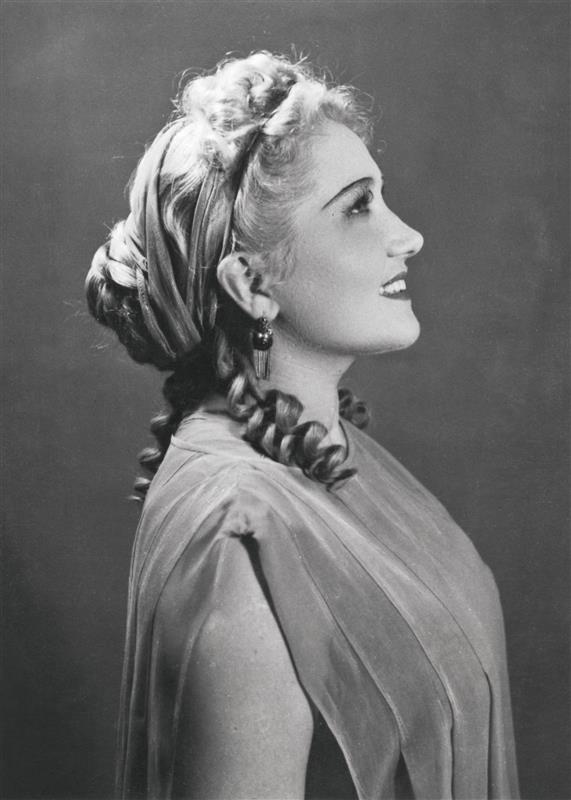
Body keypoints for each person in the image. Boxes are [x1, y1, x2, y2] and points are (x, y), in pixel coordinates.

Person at [86, 51, 520, 800]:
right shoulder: (234, 537)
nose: (408, 236)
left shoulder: (329, 449)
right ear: (252, 284)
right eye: (357, 207)